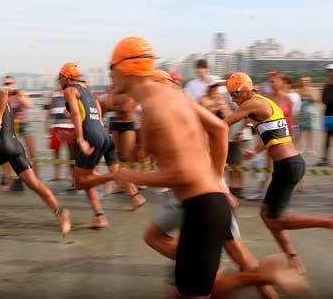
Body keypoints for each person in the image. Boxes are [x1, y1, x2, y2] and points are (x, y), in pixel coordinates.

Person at [111, 38, 308, 298]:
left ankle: (265, 275)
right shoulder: (173, 97)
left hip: (201, 208)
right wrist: (216, 178)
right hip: (209, 202)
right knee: (187, 292)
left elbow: (183, 173)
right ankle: (260, 275)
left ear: (125, 68)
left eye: (111, 67)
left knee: (193, 292)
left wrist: (129, 175)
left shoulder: (157, 106)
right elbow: (217, 128)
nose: (110, 74)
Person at [145, 70, 279, 299]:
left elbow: (218, 132)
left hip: (199, 194)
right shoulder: (180, 109)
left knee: (156, 239)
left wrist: (217, 182)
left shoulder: (175, 112)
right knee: (237, 255)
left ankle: (260, 276)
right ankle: (207, 263)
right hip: (203, 194)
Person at [225, 72, 333, 274]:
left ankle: (326, 221)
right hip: (289, 163)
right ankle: (293, 260)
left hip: (288, 165)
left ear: (247, 90)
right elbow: (276, 134)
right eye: (230, 95)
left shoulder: (251, 104)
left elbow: (222, 125)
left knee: (272, 218)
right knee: (269, 215)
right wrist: (256, 150)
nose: (233, 99)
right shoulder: (264, 102)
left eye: (235, 94)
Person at [0, 71, 71, 236]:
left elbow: (3, 92)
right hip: (15, 147)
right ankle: (61, 212)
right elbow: (1, 104)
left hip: (4, 147)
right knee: (34, 184)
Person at [60, 62, 145, 229]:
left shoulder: (70, 90)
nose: (59, 82)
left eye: (59, 78)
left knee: (81, 181)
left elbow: (77, 114)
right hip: (105, 136)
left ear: (65, 77)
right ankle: (134, 197)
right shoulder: (88, 92)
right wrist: (92, 132)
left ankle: (117, 180)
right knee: (95, 175)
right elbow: (95, 115)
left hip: (92, 138)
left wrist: (80, 139)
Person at [47, 86, 75, 182]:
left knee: (71, 152)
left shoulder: (71, 93)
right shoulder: (53, 94)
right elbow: (50, 111)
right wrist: (49, 126)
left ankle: (70, 174)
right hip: (56, 126)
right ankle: (57, 174)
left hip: (70, 126)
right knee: (56, 151)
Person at [316, 64, 333, 166]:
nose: (330, 73)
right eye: (329, 71)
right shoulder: (326, 85)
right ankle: (325, 158)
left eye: (332, 71)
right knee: (326, 137)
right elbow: (323, 100)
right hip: (327, 115)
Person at [297, 77, 317, 155]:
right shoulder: (299, 91)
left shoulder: (312, 90)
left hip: (310, 112)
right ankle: (299, 148)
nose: (304, 82)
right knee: (301, 130)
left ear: (309, 82)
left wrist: (309, 94)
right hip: (302, 112)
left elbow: (315, 100)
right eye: (302, 81)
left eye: (306, 81)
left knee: (310, 131)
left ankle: (310, 148)